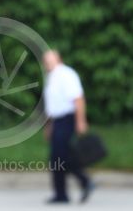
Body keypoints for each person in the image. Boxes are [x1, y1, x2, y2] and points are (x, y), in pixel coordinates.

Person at [42, 49, 93, 203]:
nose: (47, 63)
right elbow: (53, 104)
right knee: (61, 156)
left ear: (58, 59)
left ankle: (65, 192)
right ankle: (79, 184)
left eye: (50, 60)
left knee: (58, 157)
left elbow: (78, 98)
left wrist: (80, 121)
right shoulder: (52, 77)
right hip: (57, 121)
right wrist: (49, 126)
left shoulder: (66, 74)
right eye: (45, 61)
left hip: (67, 119)